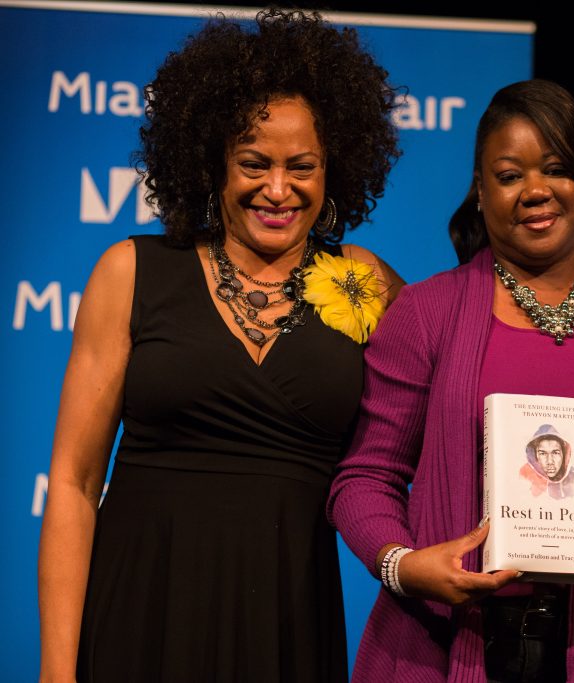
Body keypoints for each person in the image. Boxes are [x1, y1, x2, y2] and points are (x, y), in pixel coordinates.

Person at [37, 9, 401, 682]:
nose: (278, 188)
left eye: (303, 166)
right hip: (141, 614)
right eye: (253, 163)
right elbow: (73, 484)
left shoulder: (370, 283)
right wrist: (57, 674)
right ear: (211, 161)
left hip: (287, 622)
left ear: (336, 168)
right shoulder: (131, 271)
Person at [329, 79, 574, 681]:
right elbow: (364, 477)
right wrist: (403, 564)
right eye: (510, 175)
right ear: (480, 194)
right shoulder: (426, 312)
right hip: (438, 645)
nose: (536, 190)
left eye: (556, 168)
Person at [521, 424, 574, 498]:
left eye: (555, 453)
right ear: (534, 456)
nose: (550, 462)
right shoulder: (525, 479)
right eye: (543, 453)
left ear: (564, 454)